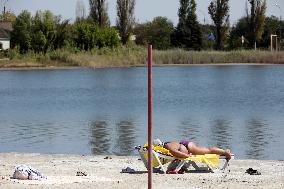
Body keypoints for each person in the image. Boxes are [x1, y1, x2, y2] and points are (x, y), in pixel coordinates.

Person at [153, 139, 232, 160]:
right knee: (208, 150)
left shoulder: (168, 147)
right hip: (185, 146)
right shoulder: (167, 145)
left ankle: (225, 152)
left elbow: (176, 152)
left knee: (209, 150)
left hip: (188, 147)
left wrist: (187, 156)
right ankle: (223, 151)